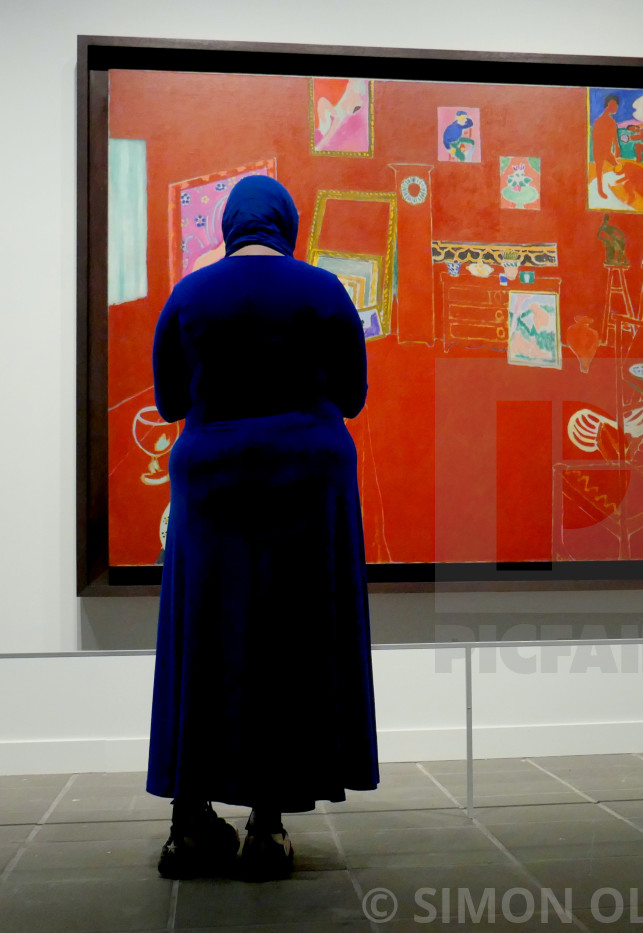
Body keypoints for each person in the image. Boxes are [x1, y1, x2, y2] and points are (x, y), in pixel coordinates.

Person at [147, 175, 379, 881]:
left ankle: (189, 825)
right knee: (290, 639)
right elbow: (353, 395)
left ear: (229, 225)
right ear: (286, 223)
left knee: (202, 639)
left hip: (211, 482)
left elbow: (167, 401)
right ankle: (269, 827)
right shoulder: (325, 290)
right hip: (308, 483)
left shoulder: (189, 295)